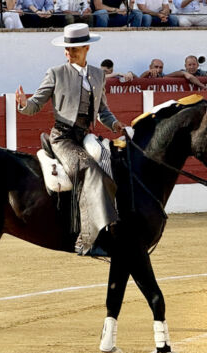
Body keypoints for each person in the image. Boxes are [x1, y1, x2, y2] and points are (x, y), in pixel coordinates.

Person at [15, 24, 125, 256]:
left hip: (85, 136)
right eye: (67, 48)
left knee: (113, 163)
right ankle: (85, 239)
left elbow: (103, 110)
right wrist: (24, 104)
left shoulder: (97, 74)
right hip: (63, 137)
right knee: (89, 171)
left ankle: (116, 227)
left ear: (86, 48)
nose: (69, 52)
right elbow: (35, 104)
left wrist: (114, 124)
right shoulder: (56, 73)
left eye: (74, 48)